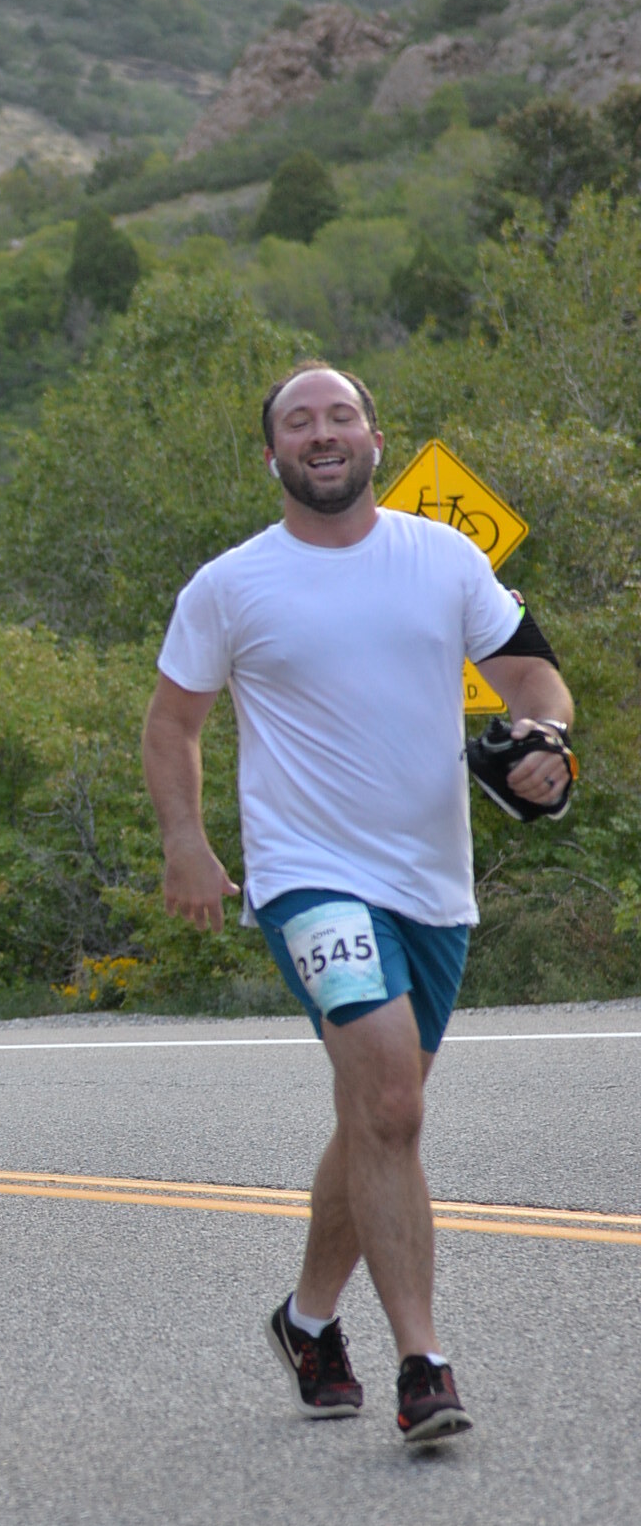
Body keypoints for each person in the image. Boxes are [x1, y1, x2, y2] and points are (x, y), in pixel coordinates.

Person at [144, 362, 576, 1450]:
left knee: (376, 1114)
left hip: (433, 885)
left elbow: (532, 676)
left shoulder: (445, 557)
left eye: (341, 416)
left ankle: (305, 1320)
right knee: (390, 1102)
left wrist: (545, 743)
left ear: (375, 439)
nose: (322, 432)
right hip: (309, 879)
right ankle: (423, 1362)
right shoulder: (231, 585)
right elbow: (173, 723)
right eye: (299, 422)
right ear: (272, 455)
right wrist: (186, 840)